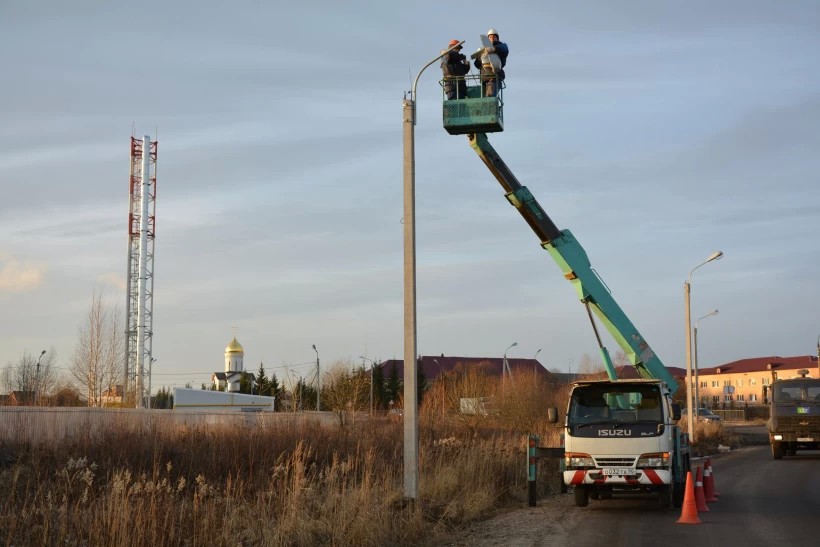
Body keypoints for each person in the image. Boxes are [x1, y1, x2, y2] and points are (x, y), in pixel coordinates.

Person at [473, 28, 509, 97]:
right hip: (484, 78)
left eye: (494, 37)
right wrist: (480, 57)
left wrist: (494, 49)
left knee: (490, 97)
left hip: (495, 77)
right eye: (490, 37)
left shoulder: (502, 46)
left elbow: (505, 49)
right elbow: (477, 65)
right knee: (485, 98)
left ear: (497, 38)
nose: (492, 38)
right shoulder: (484, 50)